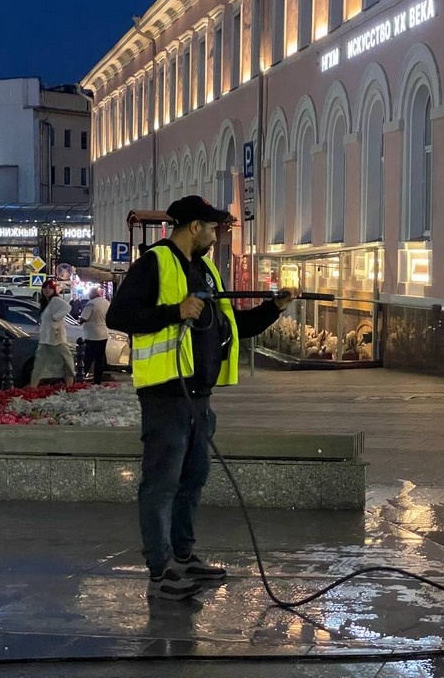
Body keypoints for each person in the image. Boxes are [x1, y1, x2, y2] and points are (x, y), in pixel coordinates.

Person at [106, 194, 296, 601]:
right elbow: (117, 317)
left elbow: (232, 324)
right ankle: (160, 573)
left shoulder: (206, 269)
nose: (215, 234)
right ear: (194, 227)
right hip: (165, 393)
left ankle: (184, 555)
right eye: (212, 227)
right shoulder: (154, 263)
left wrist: (274, 308)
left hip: (198, 397)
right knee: (161, 484)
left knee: (192, 479)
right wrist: (175, 311)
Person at [30, 279, 76, 388]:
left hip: (57, 338)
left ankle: (70, 385)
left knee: (66, 361)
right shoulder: (46, 302)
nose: (47, 290)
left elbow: (67, 307)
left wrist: (56, 317)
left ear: (53, 290)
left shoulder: (55, 300)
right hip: (46, 339)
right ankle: (33, 386)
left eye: (49, 288)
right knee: (40, 363)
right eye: (45, 288)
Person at [80, 287, 111, 385]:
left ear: (92, 294)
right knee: (100, 359)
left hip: (91, 335)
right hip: (103, 333)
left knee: (88, 357)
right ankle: (98, 380)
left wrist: (79, 320)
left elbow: (84, 318)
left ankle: (82, 375)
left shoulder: (91, 303)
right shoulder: (106, 302)